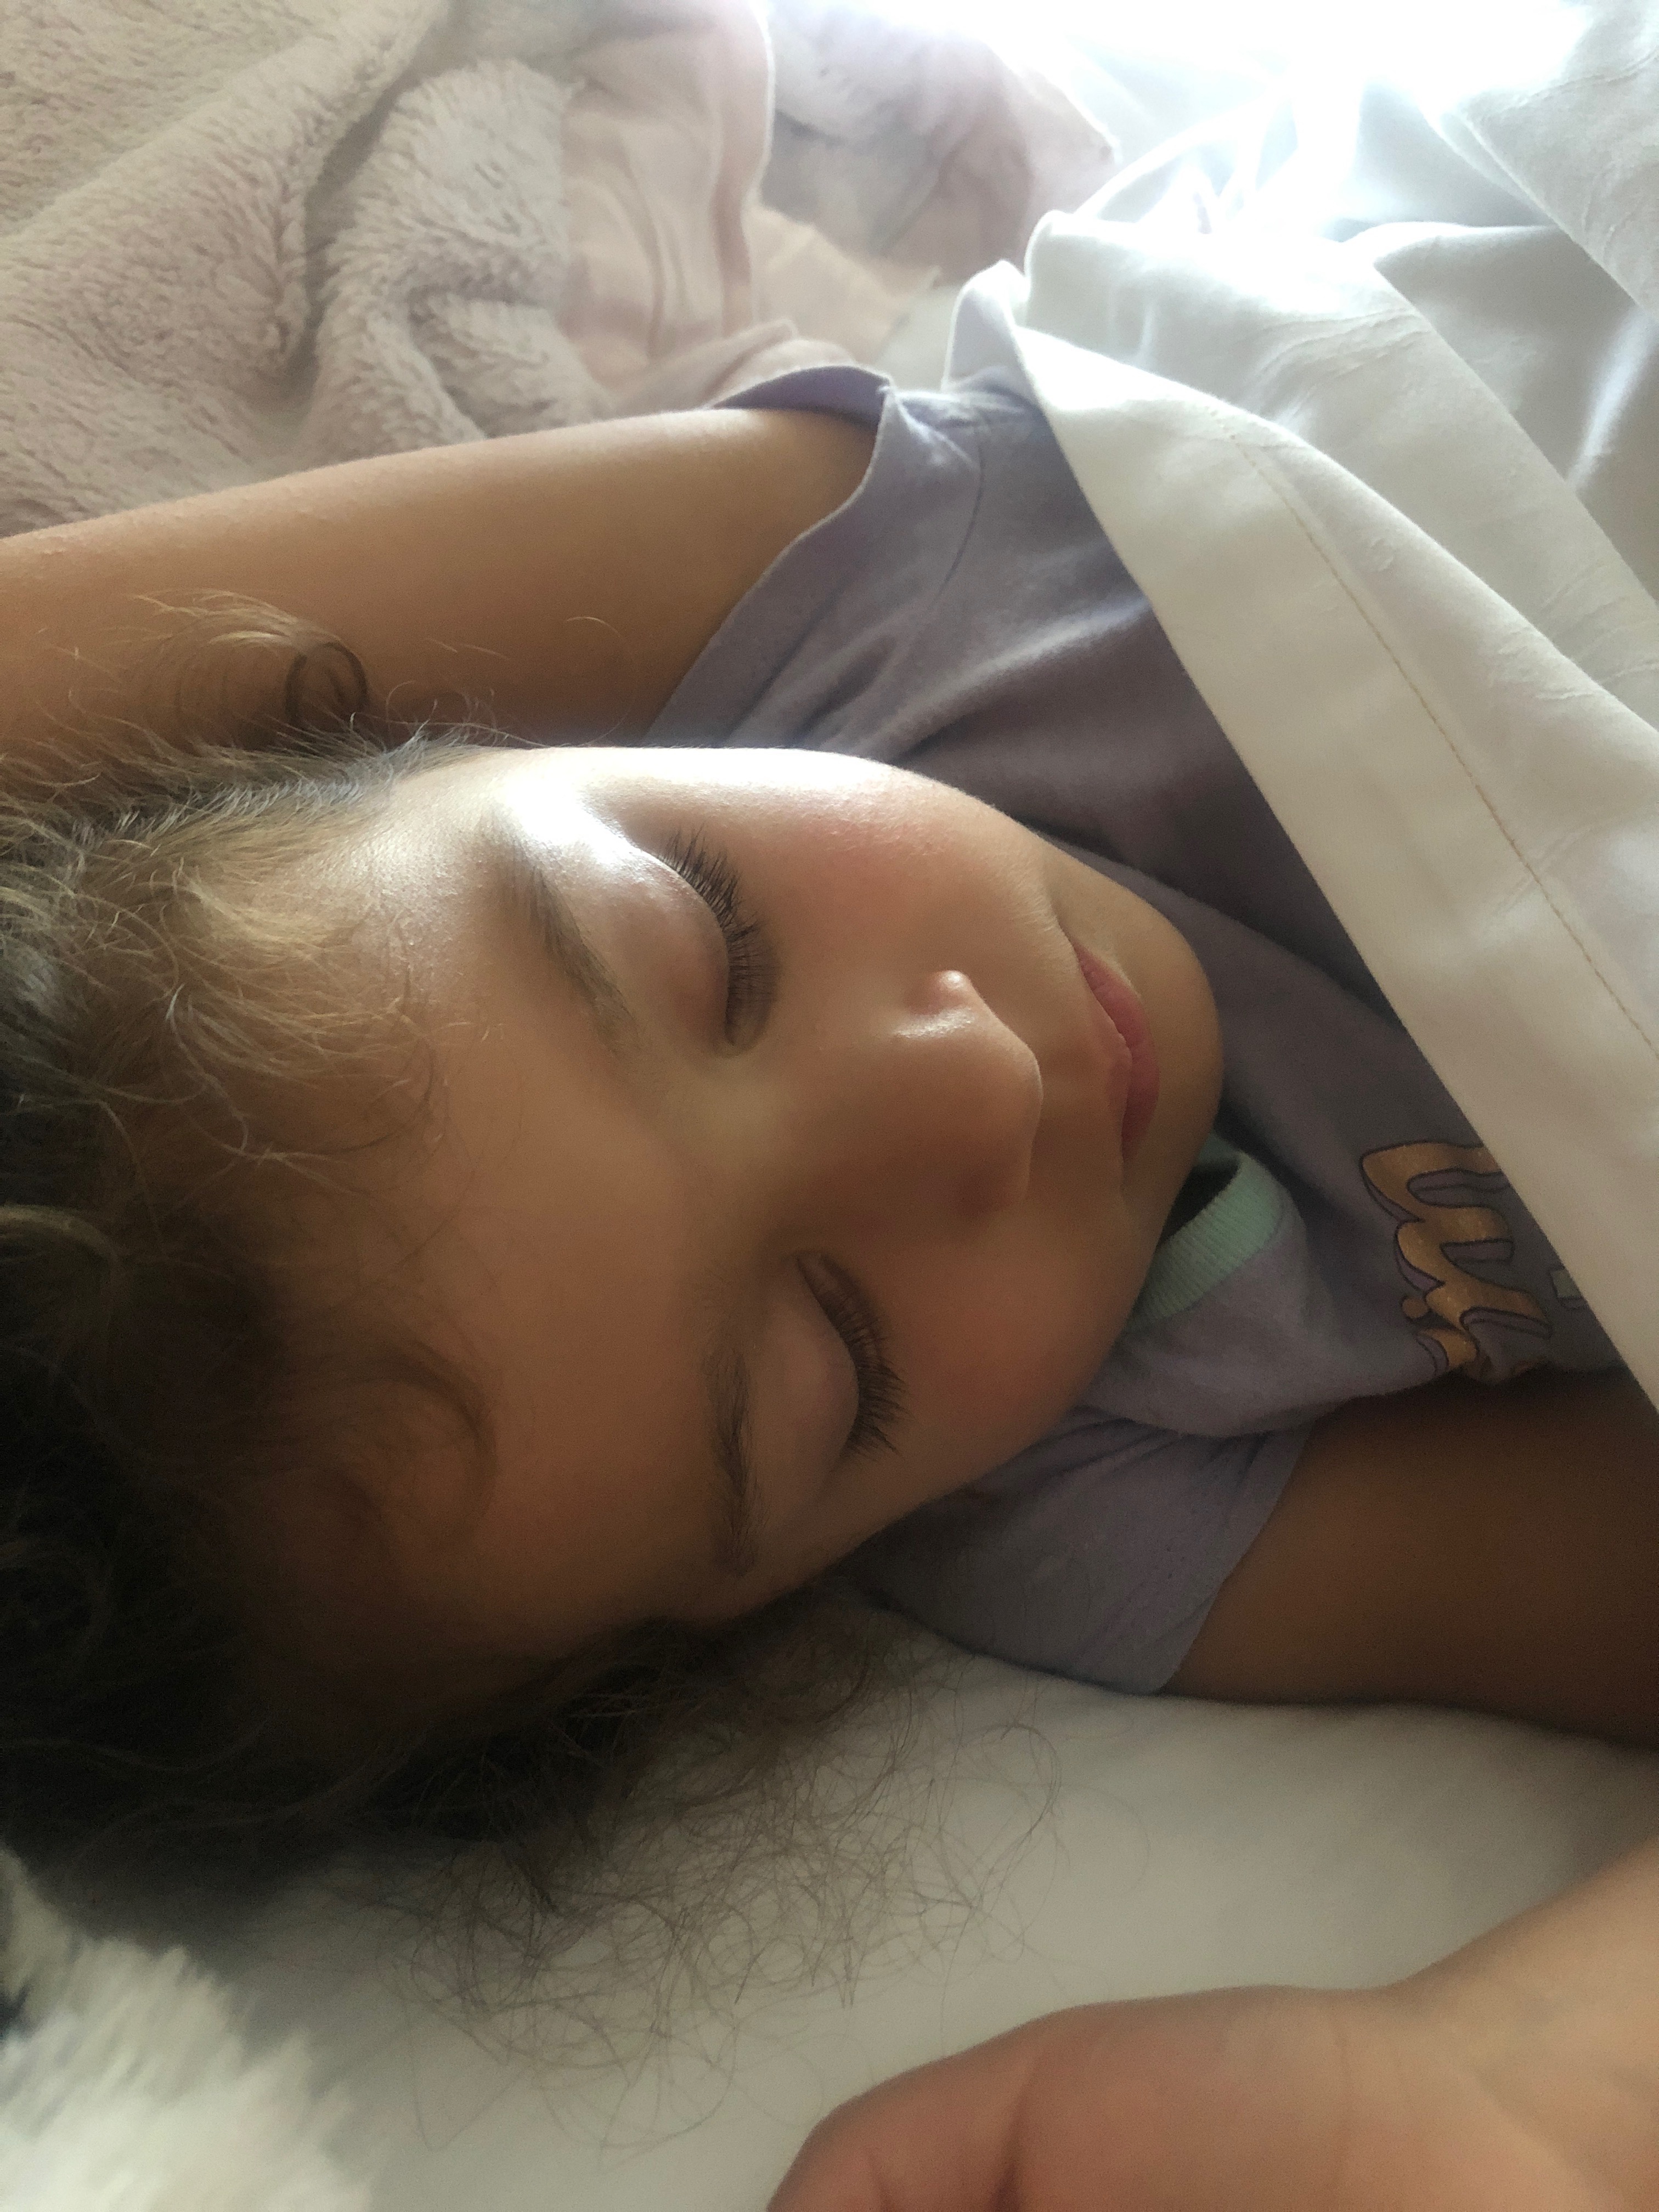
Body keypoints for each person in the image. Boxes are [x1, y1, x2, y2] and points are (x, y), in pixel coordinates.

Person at [2, 359, 1656, 2205]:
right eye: (830, 1356)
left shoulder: (880, 599)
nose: (974, 1087)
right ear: (750, 1601)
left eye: (711, 939)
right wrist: (1517, 2096)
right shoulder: (1087, 1507)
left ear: (472, 724)